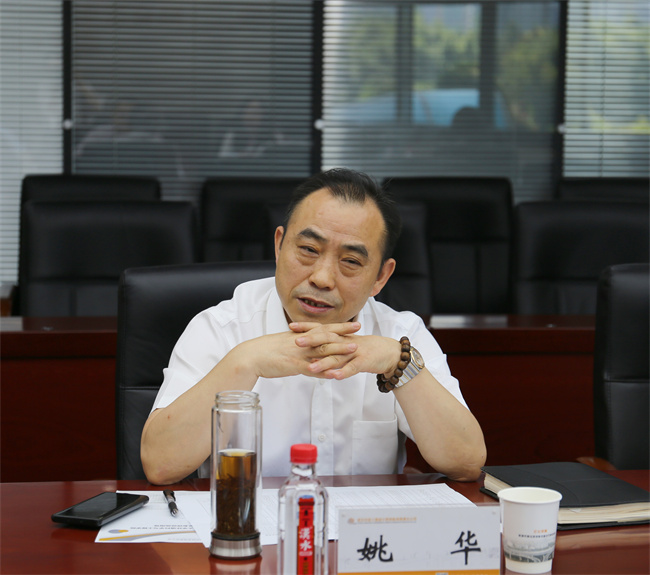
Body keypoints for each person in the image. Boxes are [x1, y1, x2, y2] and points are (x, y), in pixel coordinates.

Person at [141, 168, 486, 485]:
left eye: (350, 261)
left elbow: (467, 462)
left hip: (361, 529)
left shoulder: (400, 335)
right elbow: (160, 465)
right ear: (279, 245)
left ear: (381, 276)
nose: (322, 278)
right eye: (308, 249)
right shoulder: (220, 328)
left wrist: (399, 363)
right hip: (247, 525)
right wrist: (244, 362)